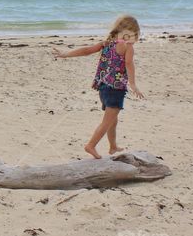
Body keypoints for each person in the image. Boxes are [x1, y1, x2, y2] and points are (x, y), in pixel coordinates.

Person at [51, 15, 145, 159]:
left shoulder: (107, 43)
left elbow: (87, 50)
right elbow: (129, 64)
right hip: (115, 89)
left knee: (113, 119)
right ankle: (91, 145)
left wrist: (66, 54)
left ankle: (113, 146)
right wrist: (133, 84)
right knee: (107, 122)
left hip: (103, 88)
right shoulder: (128, 47)